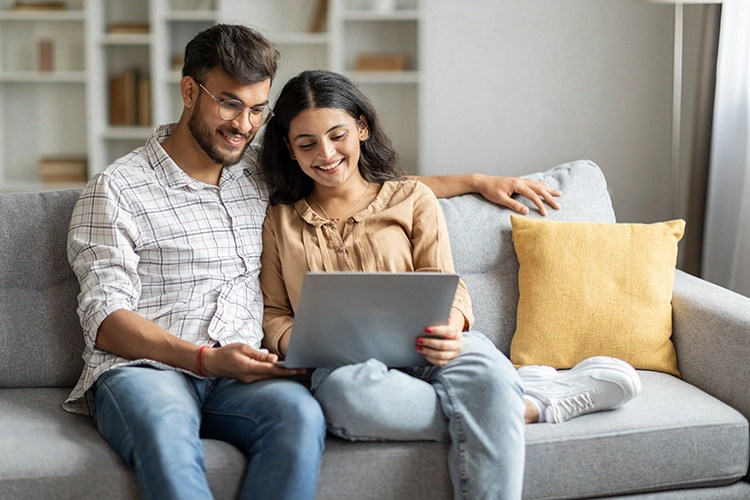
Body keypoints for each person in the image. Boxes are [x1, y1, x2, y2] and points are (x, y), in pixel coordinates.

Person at [62, 24, 572, 500]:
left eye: (257, 109)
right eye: (229, 105)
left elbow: (361, 187)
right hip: (149, 369)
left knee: (301, 417)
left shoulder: (253, 175)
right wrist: (205, 357)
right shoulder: (117, 189)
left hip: (239, 375)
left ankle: (499, 406)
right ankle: (508, 410)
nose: (243, 125)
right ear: (190, 91)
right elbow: (103, 319)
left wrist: (477, 182)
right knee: (165, 428)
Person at [258, 69, 642, 499]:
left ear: (361, 128)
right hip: (345, 364)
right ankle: (528, 405)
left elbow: (444, 281)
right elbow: (275, 312)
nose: (325, 154)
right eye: (306, 143)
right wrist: (298, 343)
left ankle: (502, 396)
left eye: (337, 135)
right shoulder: (279, 219)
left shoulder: (411, 198)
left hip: (431, 341)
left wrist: (453, 323)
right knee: (350, 400)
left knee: (487, 374)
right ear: (290, 151)